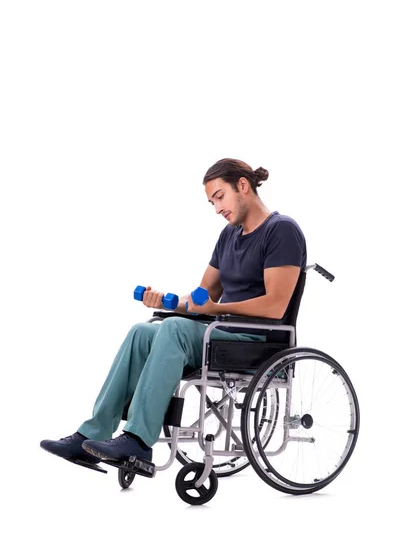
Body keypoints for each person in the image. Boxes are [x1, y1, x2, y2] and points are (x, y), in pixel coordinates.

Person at [40, 158, 307, 466]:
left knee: (174, 328)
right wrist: (166, 301)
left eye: (220, 197)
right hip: (219, 334)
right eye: (212, 202)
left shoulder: (281, 230)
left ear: (243, 186)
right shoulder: (229, 236)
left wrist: (213, 309)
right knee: (143, 330)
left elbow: (275, 305)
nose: (217, 208)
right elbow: (203, 296)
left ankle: (138, 439)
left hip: (257, 341)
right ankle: (93, 433)